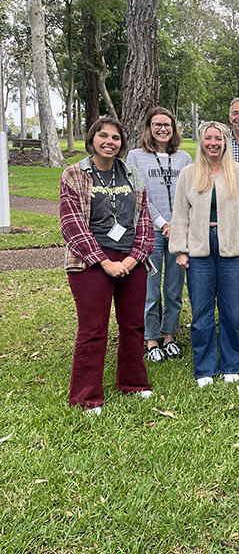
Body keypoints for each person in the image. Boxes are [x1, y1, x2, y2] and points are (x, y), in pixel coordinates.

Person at [59, 117, 155, 415]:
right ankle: (86, 397)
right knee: (93, 329)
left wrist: (131, 259)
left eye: (115, 138)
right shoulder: (74, 174)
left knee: (133, 326)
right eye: (103, 136)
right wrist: (103, 262)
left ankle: (133, 384)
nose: (109, 142)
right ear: (92, 139)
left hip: (130, 261)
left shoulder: (131, 174)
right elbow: (71, 225)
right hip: (90, 263)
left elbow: (144, 221)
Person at [170, 121, 239, 387]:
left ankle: (232, 363)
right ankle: (205, 367)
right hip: (198, 249)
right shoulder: (189, 173)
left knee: (230, 310)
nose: (213, 143)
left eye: (217, 138)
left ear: (225, 142)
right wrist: (180, 250)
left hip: (231, 247)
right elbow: (181, 215)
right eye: (208, 139)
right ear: (201, 142)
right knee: (202, 311)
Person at [127, 107, 193, 362]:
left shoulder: (184, 159)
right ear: (149, 127)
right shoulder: (135, 157)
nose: (163, 129)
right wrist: (163, 223)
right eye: (157, 124)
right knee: (150, 290)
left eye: (168, 125)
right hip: (150, 232)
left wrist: (176, 225)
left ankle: (169, 336)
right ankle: (152, 339)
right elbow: (138, 195)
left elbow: (190, 194)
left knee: (174, 289)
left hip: (179, 232)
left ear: (174, 128)